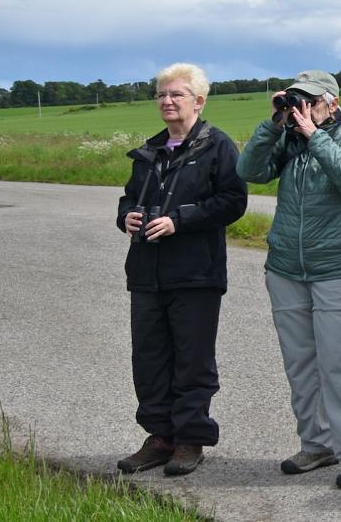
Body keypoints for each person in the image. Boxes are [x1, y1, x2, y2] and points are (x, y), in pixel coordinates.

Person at [236, 70, 341, 489]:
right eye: (297, 100)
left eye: (311, 100)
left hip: (337, 265)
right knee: (300, 364)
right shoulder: (287, 138)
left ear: (331, 103)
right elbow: (249, 170)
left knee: (338, 363)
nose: (303, 107)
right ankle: (316, 444)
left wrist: (314, 134)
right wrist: (272, 125)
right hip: (285, 266)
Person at [116, 63, 248, 477]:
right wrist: (128, 218)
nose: (168, 101)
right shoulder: (150, 151)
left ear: (199, 100)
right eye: (161, 94)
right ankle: (159, 437)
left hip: (195, 273)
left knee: (192, 359)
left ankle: (190, 438)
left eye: (177, 94)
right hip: (147, 272)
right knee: (150, 357)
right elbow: (128, 198)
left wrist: (180, 220)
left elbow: (233, 201)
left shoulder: (218, 146)